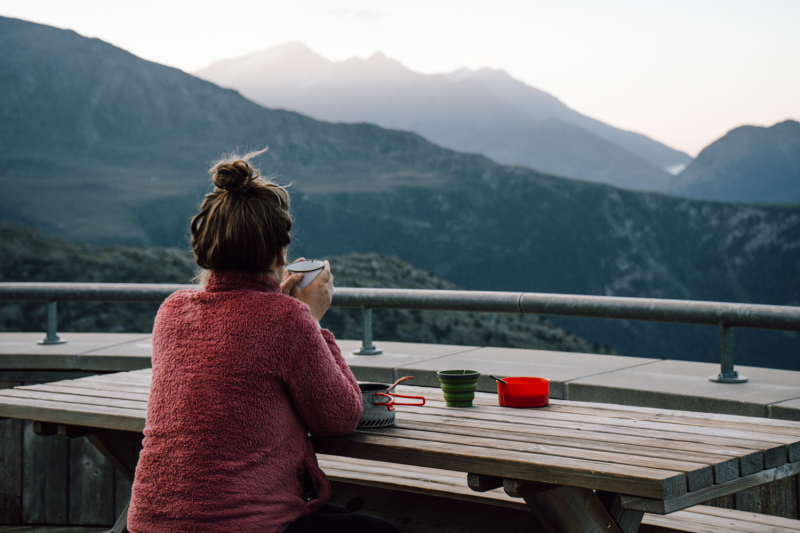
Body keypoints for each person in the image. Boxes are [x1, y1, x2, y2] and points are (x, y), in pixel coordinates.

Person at [127, 149, 397, 533]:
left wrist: (290, 315)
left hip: (151, 522)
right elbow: (339, 418)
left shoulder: (173, 310)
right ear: (279, 252)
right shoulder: (286, 319)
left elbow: (240, 348)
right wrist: (314, 321)